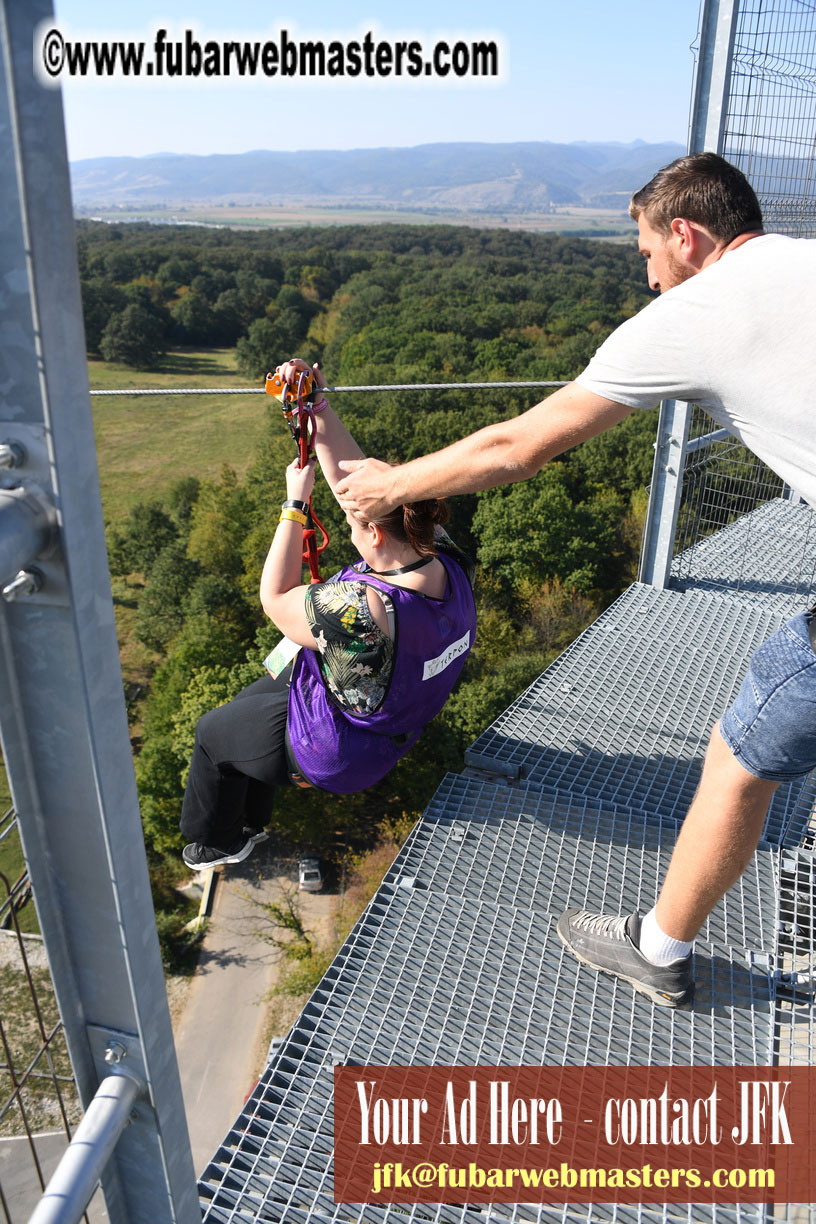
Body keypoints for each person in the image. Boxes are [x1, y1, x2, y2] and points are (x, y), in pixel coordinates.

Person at [335, 153, 816, 1010]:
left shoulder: (697, 309)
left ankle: (659, 949)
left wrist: (391, 485)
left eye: (644, 251)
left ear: (685, 234)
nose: (646, 271)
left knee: (743, 754)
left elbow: (518, 446)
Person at [180, 359, 477, 870]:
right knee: (254, 697)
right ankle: (251, 811)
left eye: (355, 523)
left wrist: (294, 505)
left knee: (211, 735)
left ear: (377, 534)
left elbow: (275, 599)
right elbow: (355, 489)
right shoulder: (445, 559)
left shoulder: (361, 611)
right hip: (389, 718)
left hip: (337, 752)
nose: (347, 519)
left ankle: (219, 841)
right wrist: (315, 407)